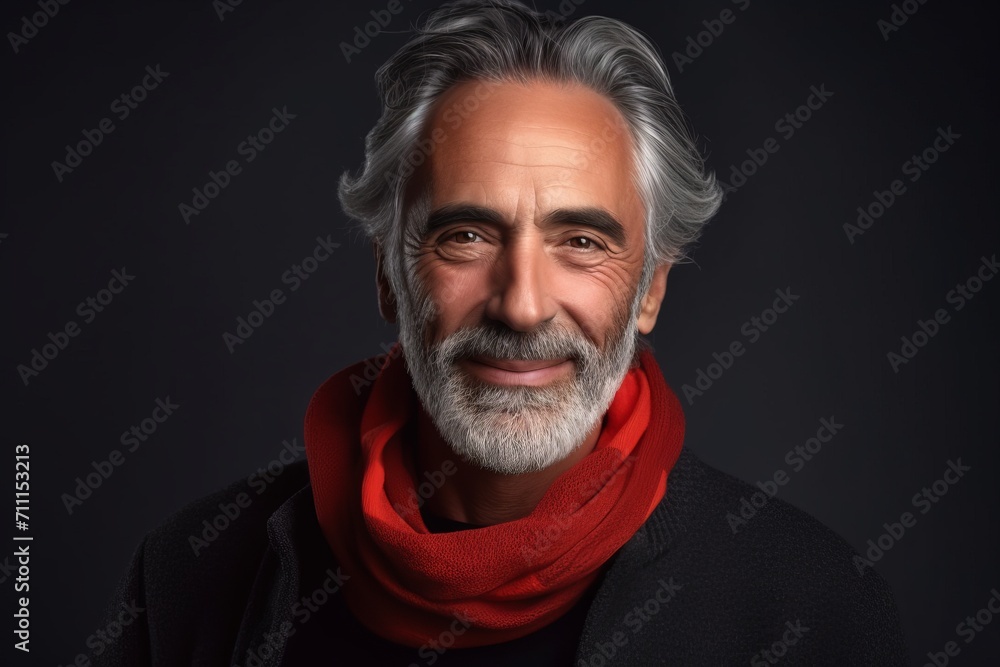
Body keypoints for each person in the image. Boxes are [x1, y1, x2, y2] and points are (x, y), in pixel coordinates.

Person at [97, 1, 908, 664]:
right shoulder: (191, 576)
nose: (521, 306)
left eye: (581, 243)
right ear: (389, 273)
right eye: (467, 236)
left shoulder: (812, 609)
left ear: (652, 288)